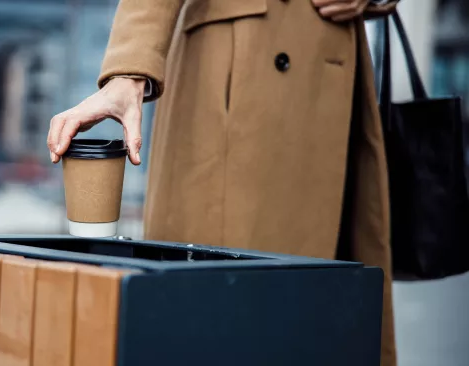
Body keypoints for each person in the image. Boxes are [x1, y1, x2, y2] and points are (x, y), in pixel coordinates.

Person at [48, 0, 399, 364]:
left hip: (332, 60)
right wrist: (128, 69)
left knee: (331, 324)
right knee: (229, 321)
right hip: (241, 71)